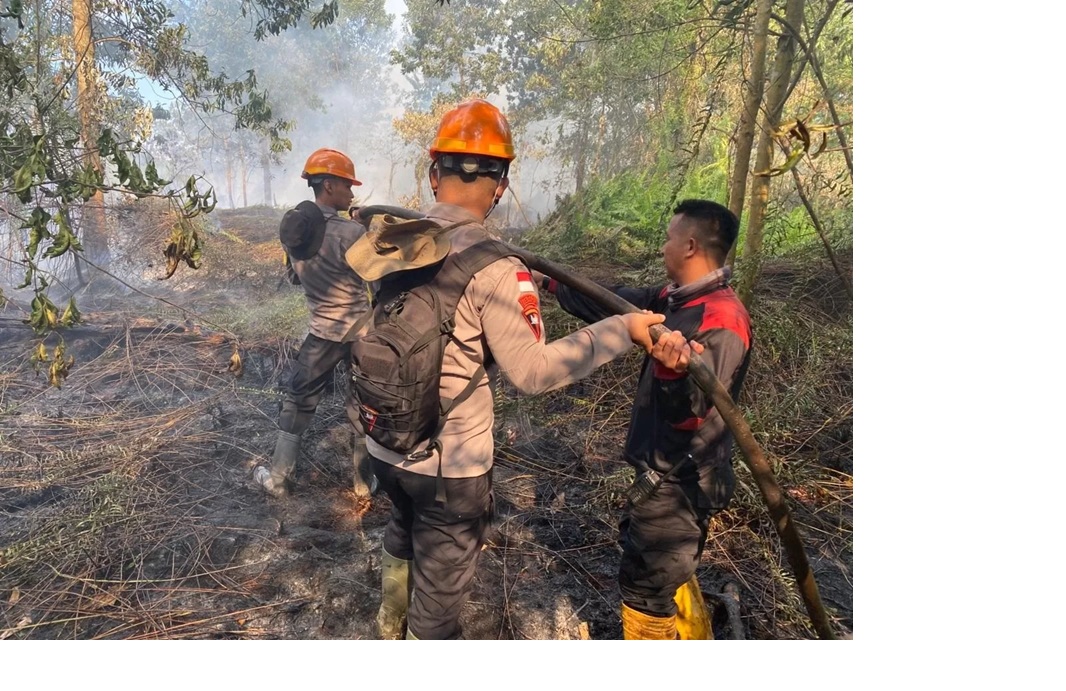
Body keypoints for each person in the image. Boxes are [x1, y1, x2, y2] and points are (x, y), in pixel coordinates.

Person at [344, 98, 687, 640]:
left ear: (434, 174)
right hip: (449, 469)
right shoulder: (499, 268)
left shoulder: (393, 243)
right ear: (500, 185)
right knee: (437, 612)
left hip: (385, 442)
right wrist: (623, 330)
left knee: (401, 530)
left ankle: (389, 623)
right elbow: (532, 373)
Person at [535, 199, 752, 640]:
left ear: (690, 245)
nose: (662, 248)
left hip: (681, 485)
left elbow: (693, 413)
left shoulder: (721, 320)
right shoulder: (675, 299)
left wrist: (675, 374)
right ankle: (692, 634)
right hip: (661, 473)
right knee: (663, 569)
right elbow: (615, 307)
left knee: (644, 589)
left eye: (669, 238)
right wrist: (550, 283)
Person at [254, 148, 376, 500]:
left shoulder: (297, 232)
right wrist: (363, 230)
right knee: (363, 403)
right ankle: (363, 484)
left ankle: (278, 479)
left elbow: (294, 277)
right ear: (327, 186)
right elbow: (376, 278)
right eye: (347, 186)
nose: (351, 193)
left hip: (321, 335)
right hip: (360, 333)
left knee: (298, 401)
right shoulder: (351, 233)